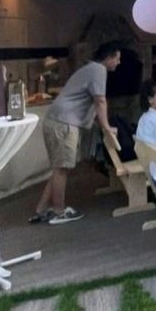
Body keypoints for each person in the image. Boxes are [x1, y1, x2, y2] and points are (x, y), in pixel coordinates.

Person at [30, 42, 122, 225]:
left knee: (59, 168)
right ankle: (59, 211)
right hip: (64, 123)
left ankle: (41, 209)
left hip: (56, 120)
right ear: (109, 57)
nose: (118, 63)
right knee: (62, 168)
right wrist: (106, 126)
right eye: (117, 59)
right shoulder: (98, 70)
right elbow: (100, 100)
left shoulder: (89, 68)